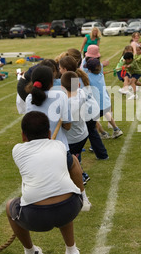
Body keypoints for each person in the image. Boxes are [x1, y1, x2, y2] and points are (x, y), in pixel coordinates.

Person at [6, 111, 84, 254]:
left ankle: (31, 252)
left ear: (23, 135)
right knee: (62, 191)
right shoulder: (59, 145)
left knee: (9, 205)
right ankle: (72, 251)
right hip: (71, 208)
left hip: (36, 217)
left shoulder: (17, 150)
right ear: (49, 133)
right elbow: (70, 162)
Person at [25, 65, 91, 210]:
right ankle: (83, 198)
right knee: (73, 163)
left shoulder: (29, 98)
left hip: (35, 149)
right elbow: (67, 126)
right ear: (51, 82)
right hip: (58, 148)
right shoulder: (61, 96)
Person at [61, 71, 96, 184]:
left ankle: (80, 176)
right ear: (79, 85)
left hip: (73, 138)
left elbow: (66, 125)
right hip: (83, 134)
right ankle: (81, 172)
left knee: (71, 159)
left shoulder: (68, 103)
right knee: (76, 155)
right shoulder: (81, 92)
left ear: (62, 87)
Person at [84, 56, 123, 139]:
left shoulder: (88, 77)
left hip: (97, 106)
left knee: (93, 120)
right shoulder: (101, 74)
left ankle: (103, 133)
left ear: (89, 70)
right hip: (106, 104)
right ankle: (116, 129)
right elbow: (99, 67)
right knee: (107, 114)